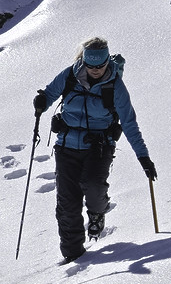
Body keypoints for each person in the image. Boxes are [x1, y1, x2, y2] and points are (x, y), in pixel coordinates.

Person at [33, 37, 156, 263]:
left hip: (98, 147)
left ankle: (97, 213)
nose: (96, 70)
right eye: (92, 66)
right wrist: (41, 101)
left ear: (108, 61)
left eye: (101, 66)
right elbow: (50, 93)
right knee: (67, 203)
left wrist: (143, 157)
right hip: (66, 146)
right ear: (84, 62)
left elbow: (129, 123)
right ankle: (73, 255)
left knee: (93, 185)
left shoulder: (115, 86)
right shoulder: (70, 75)